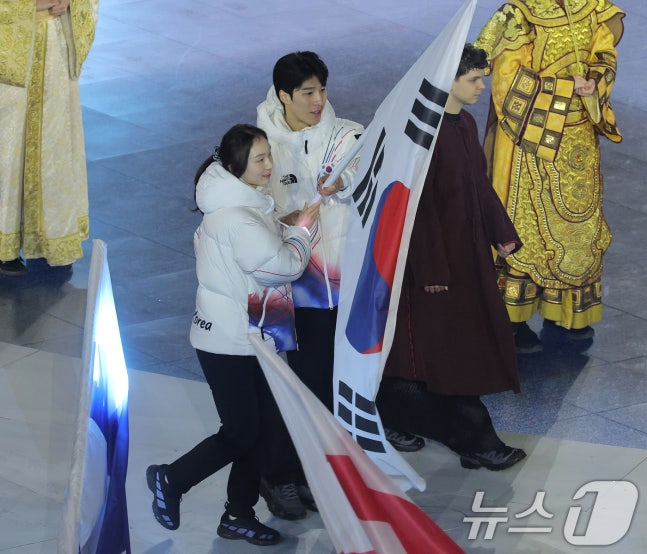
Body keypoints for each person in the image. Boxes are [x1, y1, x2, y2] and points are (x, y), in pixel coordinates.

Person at [146, 124, 320, 546]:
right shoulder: (238, 217)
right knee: (242, 432)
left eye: (268, 155)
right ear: (235, 165)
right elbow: (282, 267)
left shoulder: (240, 204)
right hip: (230, 343)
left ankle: (239, 515)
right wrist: (303, 232)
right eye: (259, 159)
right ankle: (173, 479)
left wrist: (285, 226)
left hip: (247, 336)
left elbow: (259, 248)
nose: (269, 165)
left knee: (258, 430)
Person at [378, 44, 527, 471]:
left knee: (456, 349)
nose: (482, 86)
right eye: (473, 79)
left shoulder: (464, 123)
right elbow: (419, 208)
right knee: (451, 352)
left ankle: (463, 437)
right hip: (439, 266)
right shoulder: (425, 134)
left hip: (466, 255)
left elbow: (478, 185)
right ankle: (477, 440)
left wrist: (501, 233)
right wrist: (432, 269)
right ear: (449, 80)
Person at [256, 52, 373, 511]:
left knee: (328, 380)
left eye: (322, 89)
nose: (318, 100)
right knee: (290, 384)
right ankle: (280, 474)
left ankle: (319, 471)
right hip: (290, 288)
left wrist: (345, 183)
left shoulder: (347, 135)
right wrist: (287, 217)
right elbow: (248, 205)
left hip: (341, 287)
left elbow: (372, 176)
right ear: (283, 95)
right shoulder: (261, 146)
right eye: (307, 92)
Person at [474, 1, 625, 353]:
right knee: (527, 229)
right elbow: (506, 80)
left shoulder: (591, 5)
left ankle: (568, 312)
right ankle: (513, 318)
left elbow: (604, 51)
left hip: (579, 137)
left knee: (580, 227)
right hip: (531, 138)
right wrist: (563, 89)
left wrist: (595, 80)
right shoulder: (519, 13)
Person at [0, 0, 98, 276]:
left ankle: (49, 236)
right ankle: (4, 244)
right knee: (8, 148)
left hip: (55, 44)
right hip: (12, 46)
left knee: (54, 145)